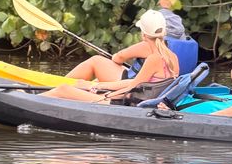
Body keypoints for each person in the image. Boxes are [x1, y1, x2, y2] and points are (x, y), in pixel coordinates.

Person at [48, 10, 180, 103]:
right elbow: (138, 83)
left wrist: (106, 94)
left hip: (127, 103)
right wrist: (99, 86)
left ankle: (36, 101)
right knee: (78, 86)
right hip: (140, 99)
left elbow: (133, 86)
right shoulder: (173, 57)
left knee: (62, 89)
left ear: (144, 35)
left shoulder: (153, 58)